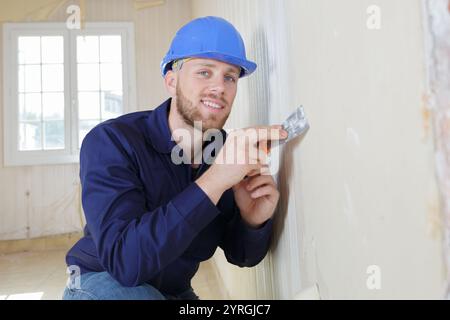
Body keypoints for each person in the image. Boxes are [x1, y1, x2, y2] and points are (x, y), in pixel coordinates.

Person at [63, 16, 287, 300]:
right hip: (103, 285)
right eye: (205, 72)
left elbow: (241, 255)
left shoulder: (224, 154)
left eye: (229, 76)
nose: (219, 87)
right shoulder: (112, 142)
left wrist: (252, 221)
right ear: (171, 81)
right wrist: (215, 180)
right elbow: (125, 263)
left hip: (173, 293)